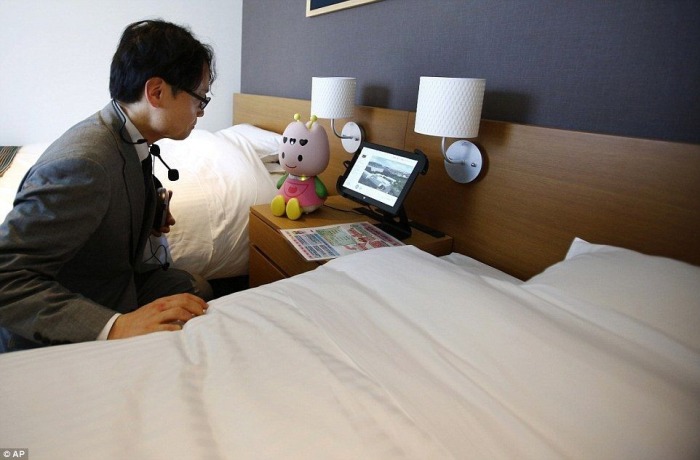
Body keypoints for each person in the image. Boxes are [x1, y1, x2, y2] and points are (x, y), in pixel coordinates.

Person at [0, 19, 216, 352]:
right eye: (200, 98)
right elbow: (7, 278)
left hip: (110, 280)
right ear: (156, 92)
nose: (200, 112)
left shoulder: (124, 133)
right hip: (64, 317)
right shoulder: (83, 164)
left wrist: (149, 208)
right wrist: (117, 326)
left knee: (196, 290)